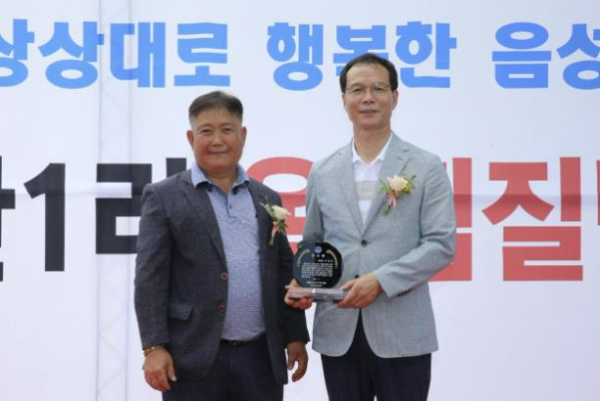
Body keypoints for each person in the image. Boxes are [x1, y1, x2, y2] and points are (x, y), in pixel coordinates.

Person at [285, 53, 456, 401]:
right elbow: (314, 243)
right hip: (339, 329)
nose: (368, 98)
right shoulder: (323, 170)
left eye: (378, 88)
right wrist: (303, 280)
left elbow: (440, 244)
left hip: (403, 329)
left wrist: (381, 280)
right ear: (344, 100)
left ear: (394, 97)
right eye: (357, 90)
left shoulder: (425, 165)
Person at [135, 91, 310, 401]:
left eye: (226, 130)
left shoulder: (267, 198)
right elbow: (150, 278)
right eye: (206, 131)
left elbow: (283, 272)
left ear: (242, 135)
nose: (217, 140)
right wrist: (153, 346)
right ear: (191, 138)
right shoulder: (164, 196)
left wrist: (295, 335)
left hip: (260, 358)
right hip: (192, 358)